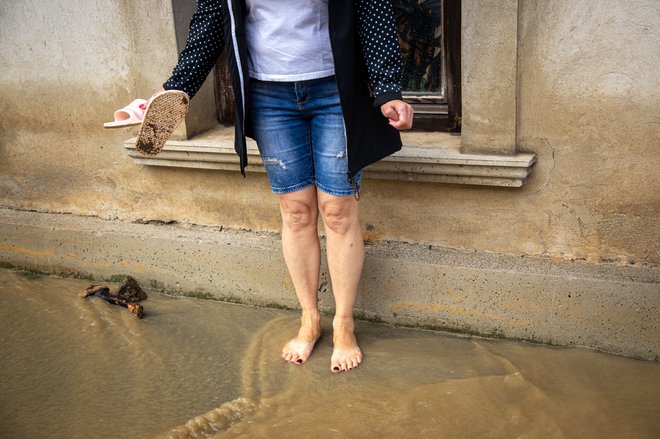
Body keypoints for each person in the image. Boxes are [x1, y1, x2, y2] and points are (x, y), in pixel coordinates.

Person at [130, 0, 412, 373]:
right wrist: (172, 93)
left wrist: (388, 85)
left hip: (336, 88)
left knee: (338, 209)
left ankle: (344, 323)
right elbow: (212, 20)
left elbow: (371, 7)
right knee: (296, 211)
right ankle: (310, 318)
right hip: (268, 95)